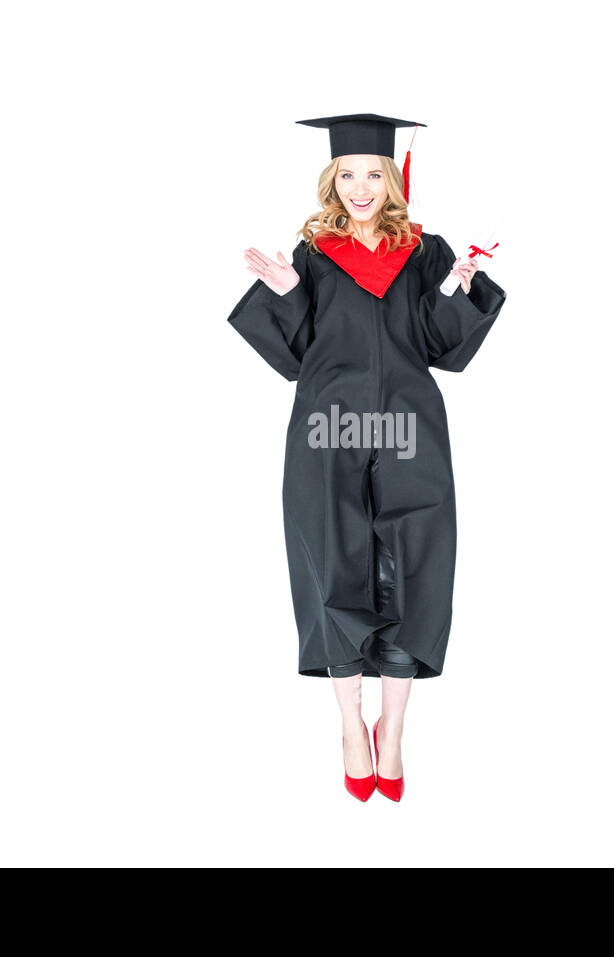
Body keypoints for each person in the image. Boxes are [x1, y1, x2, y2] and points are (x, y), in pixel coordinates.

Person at [227, 113, 507, 802]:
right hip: (328, 429)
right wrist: (292, 296)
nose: (360, 187)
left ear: (393, 180)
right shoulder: (315, 253)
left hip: (411, 432)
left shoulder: (424, 251)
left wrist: (462, 288)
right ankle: (352, 722)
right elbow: (296, 359)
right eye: (347, 174)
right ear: (332, 179)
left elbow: (442, 345)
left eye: (372, 173)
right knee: (335, 563)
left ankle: (395, 728)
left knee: (419, 566)